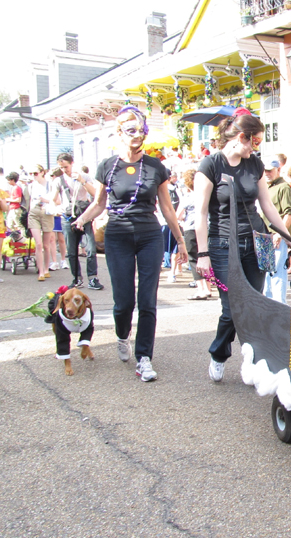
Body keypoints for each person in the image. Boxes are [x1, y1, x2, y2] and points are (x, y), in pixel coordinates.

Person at [73, 106, 187, 382]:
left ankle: (144, 357)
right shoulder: (107, 166)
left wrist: (181, 241)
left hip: (149, 235)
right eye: (130, 129)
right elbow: (100, 203)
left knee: (147, 300)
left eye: (141, 129)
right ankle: (122, 335)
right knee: (123, 301)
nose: (137, 134)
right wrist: (81, 220)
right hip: (118, 236)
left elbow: (168, 208)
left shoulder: (155, 166)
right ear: (119, 133)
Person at [194, 110, 291, 382]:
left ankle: (252, 362)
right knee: (232, 309)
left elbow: (267, 205)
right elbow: (200, 214)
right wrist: (202, 254)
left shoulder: (255, 165)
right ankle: (219, 352)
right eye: (256, 142)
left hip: (256, 242)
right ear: (241, 137)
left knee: (254, 305)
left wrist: (289, 238)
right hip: (223, 244)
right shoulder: (210, 165)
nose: (257, 147)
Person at [53, 152, 104, 290]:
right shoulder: (58, 180)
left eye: (66, 166)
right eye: (62, 167)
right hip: (68, 216)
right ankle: (76, 278)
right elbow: (53, 198)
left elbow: (95, 194)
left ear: (72, 163)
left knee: (90, 249)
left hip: (84, 216)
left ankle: (93, 278)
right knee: (71, 250)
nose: (65, 170)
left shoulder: (84, 177)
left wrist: (82, 181)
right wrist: (56, 208)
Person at [262, 158, 291, 303]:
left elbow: (290, 212)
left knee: (277, 271)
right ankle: (268, 303)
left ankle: (279, 305)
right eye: (265, 171)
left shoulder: (283, 187)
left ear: (278, 170)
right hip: (264, 234)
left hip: (276, 235)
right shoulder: (266, 186)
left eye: (270, 170)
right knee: (266, 271)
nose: (267, 173)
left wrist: (280, 234)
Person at [177, 168, 212, 300]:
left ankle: (201, 289)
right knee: (207, 257)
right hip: (207, 227)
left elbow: (178, 215)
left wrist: (182, 222)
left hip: (191, 228)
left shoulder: (188, 197)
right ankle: (209, 287)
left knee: (194, 259)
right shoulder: (206, 194)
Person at [26, 166, 56, 282]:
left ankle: (46, 268)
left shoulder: (50, 184)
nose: (33, 175)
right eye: (31, 173)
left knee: (46, 244)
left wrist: (45, 200)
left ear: (42, 172)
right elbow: (30, 200)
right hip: (34, 212)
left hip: (46, 212)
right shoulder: (31, 185)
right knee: (38, 244)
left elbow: (56, 200)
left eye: (35, 173)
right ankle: (41, 271)